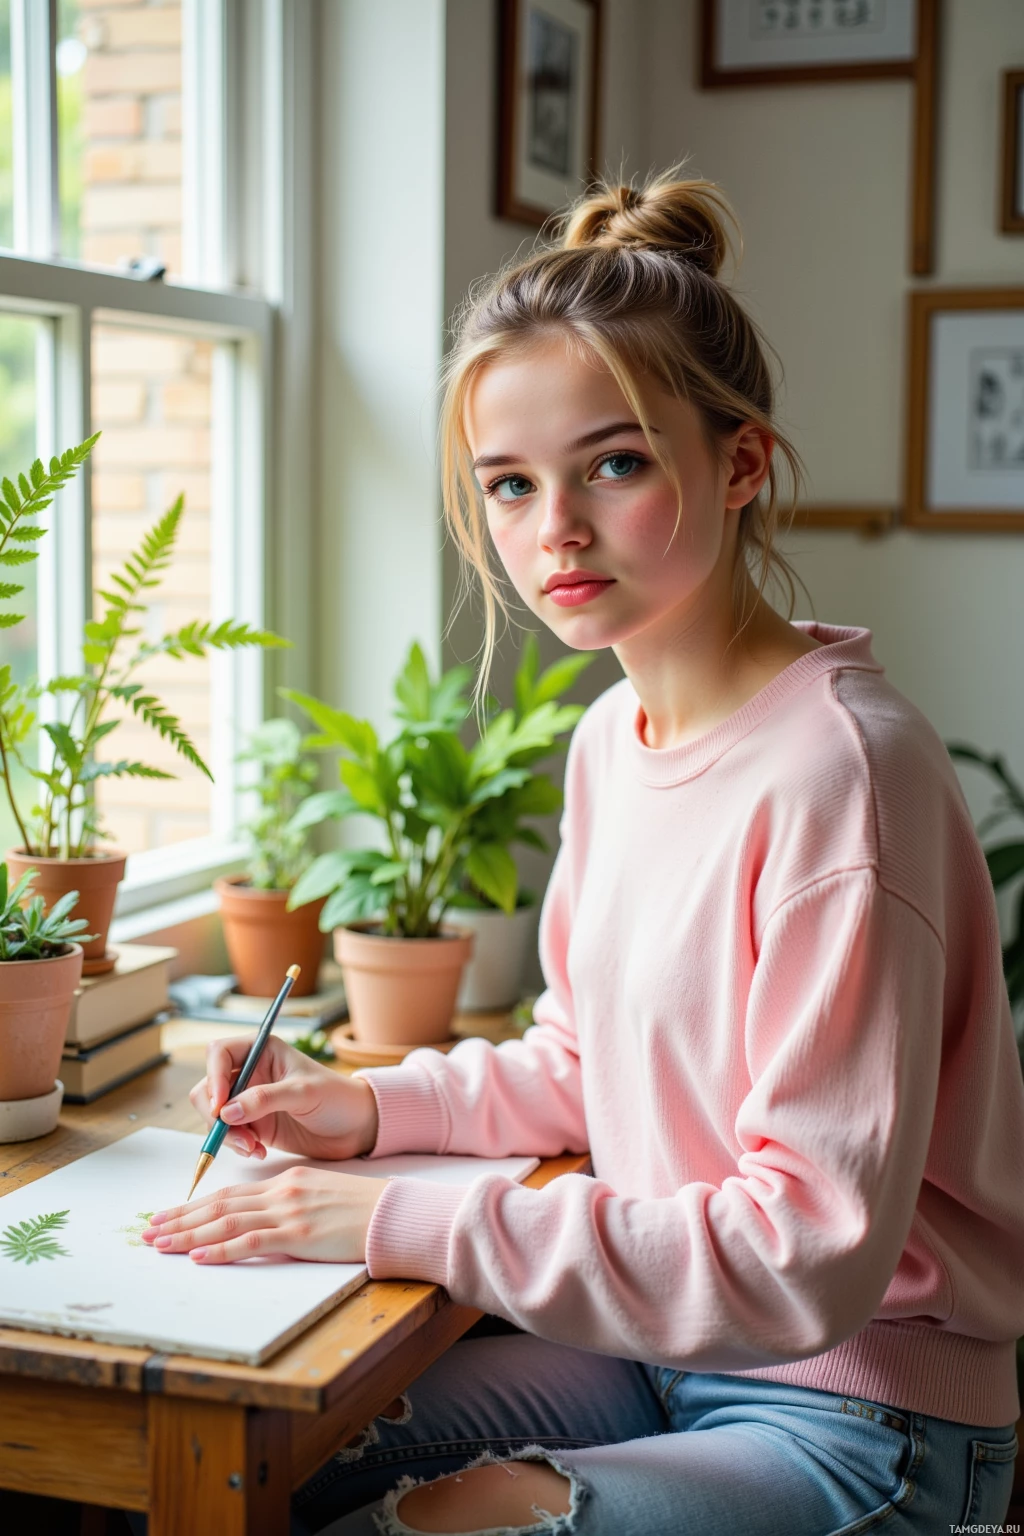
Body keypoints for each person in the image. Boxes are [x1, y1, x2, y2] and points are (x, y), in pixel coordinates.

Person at [142, 166, 1024, 1536]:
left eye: (612, 463)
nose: (550, 527)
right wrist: (370, 1111)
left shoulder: (843, 775)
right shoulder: (615, 738)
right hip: (663, 1355)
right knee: (287, 1454)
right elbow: (585, 1061)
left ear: (739, 464)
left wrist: (391, 1218)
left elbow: (806, 1255)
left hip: (858, 1414)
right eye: (507, 483)